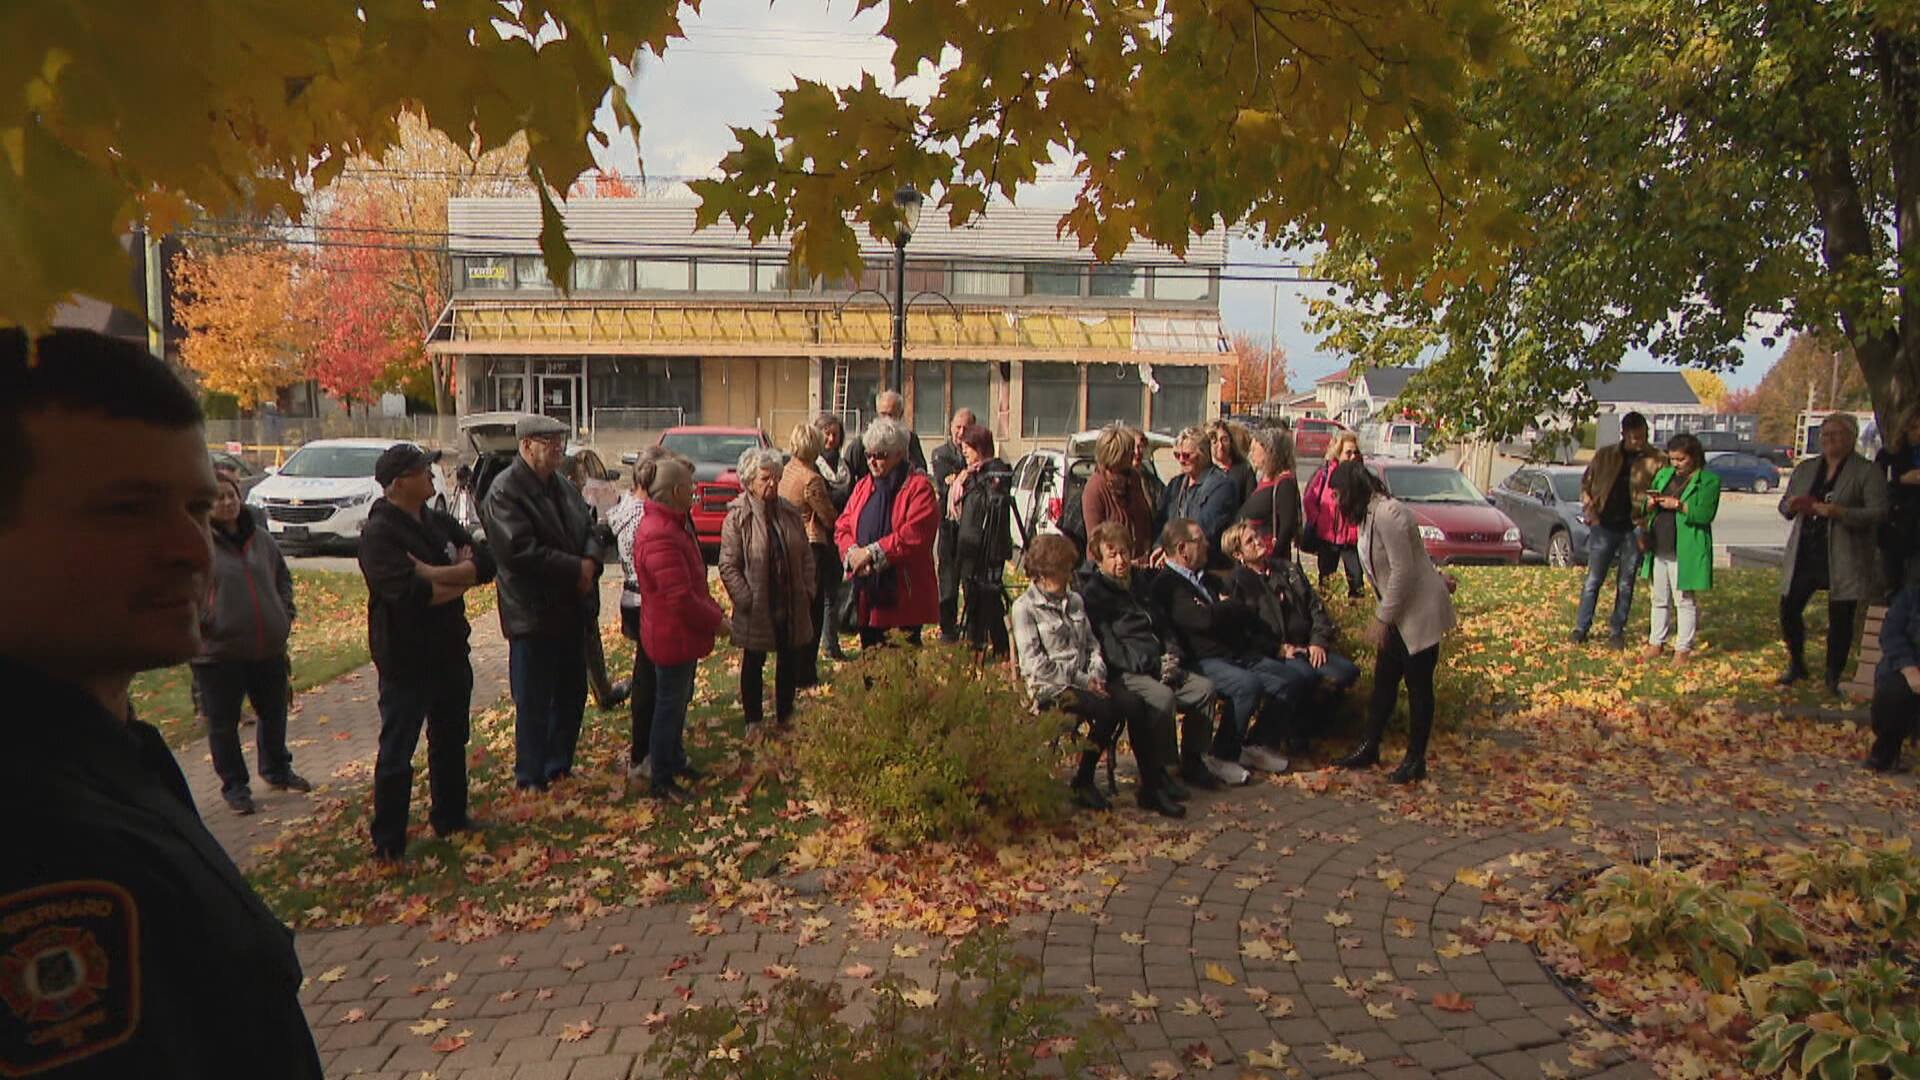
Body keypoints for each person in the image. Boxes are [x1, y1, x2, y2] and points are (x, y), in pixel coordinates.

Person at [0, 328, 322, 1076]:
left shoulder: (113, 758)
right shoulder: (39, 838)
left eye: (195, 507)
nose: (189, 548)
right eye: (125, 510)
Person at [358, 444, 496, 861]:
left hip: (450, 649)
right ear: (399, 483)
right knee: (398, 750)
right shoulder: (379, 534)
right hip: (405, 658)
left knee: (451, 739)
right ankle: (389, 840)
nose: (432, 474)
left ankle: (450, 816)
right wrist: (458, 577)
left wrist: (438, 572)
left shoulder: (436, 522)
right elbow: (409, 593)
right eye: (422, 470)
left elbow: (485, 564)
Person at [1012, 534, 1184, 817]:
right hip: (1051, 686)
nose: (1069, 577)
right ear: (1043, 572)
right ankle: (1084, 779)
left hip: (1088, 680)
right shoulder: (1025, 608)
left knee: (1133, 702)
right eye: (1063, 571)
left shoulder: (1075, 600)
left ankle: (1151, 787)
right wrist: (1084, 681)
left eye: (1070, 569)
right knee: (1108, 709)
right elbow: (1036, 665)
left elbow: (1093, 645)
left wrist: (1096, 673)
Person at [480, 413, 599, 791]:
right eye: (550, 443)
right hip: (532, 612)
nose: (559, 449)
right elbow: (519, 551)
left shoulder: (563, 487)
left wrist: (590, 563)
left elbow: (593, 526)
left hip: (571, 609)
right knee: (533, 700)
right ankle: (530, 775)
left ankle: (558, 765)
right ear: (526, 445)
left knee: (571, 692)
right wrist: (574, 568)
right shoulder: (505, 491)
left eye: (561, 442)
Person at [1330, 460, 1457, 783]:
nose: (1335, 500)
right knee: (1384, 682)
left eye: (1338, 493)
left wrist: (1382, 618)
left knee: (1418, 686)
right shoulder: (1367, 516)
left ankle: (1416, 760)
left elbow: (1404, 569)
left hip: (1416, 612)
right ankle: (1370, 746)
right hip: (1399, 610)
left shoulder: (1389, 513)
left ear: (1353, 491)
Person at [193, 467, 306, 815]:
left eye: (231, 495)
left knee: (274, 713)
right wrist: (207, 621)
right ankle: (235, 786)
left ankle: (276, 769)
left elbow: (281, 578)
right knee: (223, 723)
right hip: (218, 654)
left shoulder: (261, 539)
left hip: (267, 647)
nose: (226, 503)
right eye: (218, 497)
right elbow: (186, 593)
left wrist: (284, 612)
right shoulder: (198, 544)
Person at [1149, 518, 1297, 780]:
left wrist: (1220, 608)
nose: (1207, 544)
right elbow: (1201, 621)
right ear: (1183, 549)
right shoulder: (1168, 585)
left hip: (1234, 651)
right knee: (1246, 685)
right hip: (1200, 660)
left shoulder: (1206, 578)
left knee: (1287, 680)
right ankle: (1221, 754)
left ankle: (1252, 744)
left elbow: (1243, 609)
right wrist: (1223, 608)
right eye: (1200, 540)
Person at [1080, 521, 1218, 793]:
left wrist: (1172, 654)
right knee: (1162, 697)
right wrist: (1152, 665)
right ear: (1099, 559)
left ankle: (1193, 759)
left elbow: (1163, 623)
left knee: (1204, 689)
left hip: (1159, 663)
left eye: (1124, 552)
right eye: (1113, 555)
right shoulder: (1095, 594)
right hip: (1127, 672)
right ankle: (1161, 770)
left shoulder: (1140, 582)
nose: (1121, 560)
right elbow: (1110, 647)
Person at [1219, 521, 1359, 756]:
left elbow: (1316, 608)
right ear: (1238, 554)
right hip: (1275, 651)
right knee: (1304, 677)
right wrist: (1278, 649)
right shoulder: (1237, 583)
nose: (1258, 542)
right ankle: (1284, 737)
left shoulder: (1288, 570)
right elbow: (1242, 630)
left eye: (1258, 536)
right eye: (1250, 541)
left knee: (1346, 672)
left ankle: (1309, 729)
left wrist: (1318, 641)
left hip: (1307, 646)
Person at [634, 458, 728, 801]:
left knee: (677, 702)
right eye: (691, 488)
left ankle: (673, 759)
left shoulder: (671, 525)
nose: (695, 494)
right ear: (675, 492)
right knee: (668, 706)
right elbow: (680, 597)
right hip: (671, 633)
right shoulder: (660, 533)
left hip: (678, 632)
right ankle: (661, 778)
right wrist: (717, 622)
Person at [1779, 413, 1890, 695]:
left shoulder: (1866, 471)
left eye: (1836, 434)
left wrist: (1840, 512)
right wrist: (1793, 506)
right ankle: (1797, 664)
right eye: (1825, 434)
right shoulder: (1806, 469)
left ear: (1851, 437)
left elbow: (1878, 512)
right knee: (1789, 608)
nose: (1829, 440)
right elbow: (1784, 506)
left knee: (1840, 617)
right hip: (1806, 550)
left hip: (1844, 553)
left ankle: (1833, 675)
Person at [720, 448, 817, 733]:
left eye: (776, 477)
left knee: (788, 658)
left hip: (790, 598)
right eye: (765, 478)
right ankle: (753, 719)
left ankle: (785, 714)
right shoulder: (738, 517)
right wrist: (745, 598)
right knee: (754, 660)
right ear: (749, 481)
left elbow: (807, 555)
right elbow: (728, 565)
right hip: (757, 602)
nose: (772, 484)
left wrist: (809, 588)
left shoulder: (788, 512)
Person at [836, 416, 940, 647]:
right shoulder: (864, 485)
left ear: (899, 454)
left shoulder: (918, 487)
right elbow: (843, 525)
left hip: (902, 596)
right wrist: (852, 553)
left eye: (880, 455)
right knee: (870, 663)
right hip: (866, 594)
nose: (873, 461)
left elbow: (914, 535)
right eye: (869, 455)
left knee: (899, 670)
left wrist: (872, 553)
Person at [1572, 411, 1663, 646]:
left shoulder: (1657, 460)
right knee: (1594, 579)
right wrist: (1590, 510)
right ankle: (1581, 627)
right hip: (1604, 524)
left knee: (1626, 580)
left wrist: (1648, 520)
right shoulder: (1605, 455)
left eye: (1642, 437)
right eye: (1633, 437)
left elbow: (1661, 492)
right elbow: (1586, 484)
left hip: (1634, 526)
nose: (1638, 442)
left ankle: (1617, 630)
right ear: (1624, 434)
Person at [609, 447, 669, 793]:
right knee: (648, 678)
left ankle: (647, 751)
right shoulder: (638, 516)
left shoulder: (630, 510)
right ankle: (642, 754)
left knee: (648, 675)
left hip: (637, 599)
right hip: (643, 600)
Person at [1638, 433, 1720, 663]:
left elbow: (1705, 514)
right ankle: (1657, 642)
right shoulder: (1664, 475)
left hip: (1685, 549)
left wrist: (1680, 505)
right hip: (1659, 545)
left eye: (1680, 459)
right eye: (1672, 459)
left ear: (1693, 457)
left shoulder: (1709, 481)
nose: (1675, 464)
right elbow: (1645, 505)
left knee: (1683, 600)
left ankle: (1683, 647)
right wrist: (1651, 502)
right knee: (1658, 598)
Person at [781, 423, 842, 683]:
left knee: (798, 610)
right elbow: (827, 515)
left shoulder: (787, 470)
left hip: (789, 542)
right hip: (812, 545)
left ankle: (794, 668)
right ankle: (806, 671)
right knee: (813, 611)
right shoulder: (811, 478)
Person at [949, 424, 1015, 658]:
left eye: (968, 447)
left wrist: (976, 478)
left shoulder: (994, 473)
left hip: (987, 550)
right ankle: (976, 644)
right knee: (972, 595)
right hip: (969, 548)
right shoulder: (974, 475)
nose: (964, 452)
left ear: (980, 447)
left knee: (988, 598)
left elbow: (995, 506)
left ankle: (996, 647)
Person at [1156, 425, 1238, 565]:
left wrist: (1172, 551)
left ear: (1203, 455)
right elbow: (1161, 522)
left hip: (1207, 565)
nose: (1181, 460)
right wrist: (1159, 547)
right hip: (1174, 562)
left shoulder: (1222, 485)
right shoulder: (1176, 485)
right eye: (1177, 455)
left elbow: (1204, 527)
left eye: (1187, 455)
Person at [931, 408, 978, 640]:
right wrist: (967, 475)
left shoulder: (978, 452)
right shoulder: (941, 453)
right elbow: (944, 483)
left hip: (971, 527)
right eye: (957, 427)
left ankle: (972, 628)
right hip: (949, 526)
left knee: (971, 579)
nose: (961, 432)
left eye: (966, 428)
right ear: (950, 427)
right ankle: (947, 630)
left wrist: (961, 477)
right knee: (948, 580)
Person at [1301, 432, 1366, 598]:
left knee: (1357, 582)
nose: (1352, 456)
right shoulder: (1326, 473)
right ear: (1338, 453)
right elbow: (1310, 499)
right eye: (1348, 452)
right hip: (1328, 538)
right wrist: (1318, 520)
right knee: (1326, 582)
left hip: (1351, 539)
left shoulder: (1360, 475)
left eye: (1355, 452)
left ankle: (1356, 615)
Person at [1082, 424, 1155, 563]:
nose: (1123, 477)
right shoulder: (1094, 489)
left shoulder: (1134, 479)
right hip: (1108, 570)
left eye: (1126, 470)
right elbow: (1095, 543)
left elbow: (1144, 522)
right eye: (1118, 471)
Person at [1867, 581, 1920, 771]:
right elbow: (1890, 633)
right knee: (1892, 691)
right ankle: (1885, 754)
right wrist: (1909, 668)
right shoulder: (1911, 596)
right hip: (1908, 665)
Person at [813, 412, 853, 658]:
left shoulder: (844, 466)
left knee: (834, 593)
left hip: (840, 536)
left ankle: (831, 642)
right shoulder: (814, 466)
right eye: (826, 433)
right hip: (820, 537)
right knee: (821, 595)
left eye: (834, 434)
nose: (830, 439)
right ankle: (824, 645)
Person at [1240, 427, 1302, 561]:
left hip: (1269, 558)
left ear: (1269, 452)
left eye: (1255, 450)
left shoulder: (1284, 483)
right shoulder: (1264, 479)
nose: (1251, 455)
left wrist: (1272, 559)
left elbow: (1286, 529)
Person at [1876, 409, 1920, 597]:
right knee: (1893, 583)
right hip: (1895, 526)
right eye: (1914, 428)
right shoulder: (1890, 454)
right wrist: (1901, 480)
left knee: (1914, 584)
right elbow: (1877, 485)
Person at [843, 390, 928, 485]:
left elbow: (920, 472)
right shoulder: (861, 443)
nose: (887, 420)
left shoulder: (909, 440)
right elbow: (846, 479)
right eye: (883, 414)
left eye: (891, 415)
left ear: (900, 415)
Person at [1211, 419, 1256, 508]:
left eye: (1224, 440)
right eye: (1215, 441)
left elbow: (1251, 504)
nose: (1220, 446)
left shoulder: (1244, 470)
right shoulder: (1206, 470)